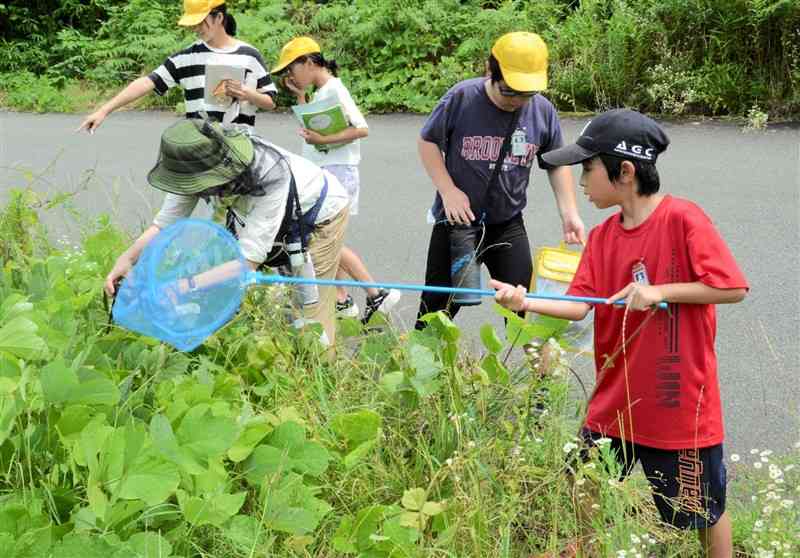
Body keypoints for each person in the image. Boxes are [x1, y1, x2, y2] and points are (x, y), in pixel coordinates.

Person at [492, 109, 748, 558]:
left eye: (587, 168)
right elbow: (578, 305)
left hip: (677, 404)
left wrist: (659, 291)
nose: (582, 181)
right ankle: (584, 548)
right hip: (615, 400)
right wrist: (524, 301)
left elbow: (731, 287)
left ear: (624, 171)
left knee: (700, 510)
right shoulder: (604, 235)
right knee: (582, 482)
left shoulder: (683, 219)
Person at [104, 119, 350, 347]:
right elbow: (163, 225)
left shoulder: (269, 176)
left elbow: (246, 264)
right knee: (227, 286)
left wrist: (184, 286)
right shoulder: (191, 164)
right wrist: (127, 259)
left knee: (309, 311)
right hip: (263, 217)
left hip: (319, 212)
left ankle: (321, 370)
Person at [414, 31, 585, 329]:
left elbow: (555, 164)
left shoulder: (542, 111)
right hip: (457, 221)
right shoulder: (462, 98)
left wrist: (569, 213)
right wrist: (448, 190)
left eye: (525, 94)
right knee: (436, 309)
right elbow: (428, 142)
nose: (517, 102)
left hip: (507, 222)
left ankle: (535, 373)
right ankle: (424, 368)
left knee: (523, 307)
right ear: (489, 70)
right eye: (509, 91)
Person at [271, 36, 401, 323]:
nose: (289, 76)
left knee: (324, 237)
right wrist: (300, 98)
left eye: (292, 69)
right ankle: (341, 299)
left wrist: (324, 138)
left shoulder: (335, 89)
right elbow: (313, 127)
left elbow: (361, 128)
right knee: (331, 236)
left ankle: (376, 293)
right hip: (325, 169)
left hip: (337, 171)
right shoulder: (320, 92)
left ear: (308, 62)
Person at [79, 0, 276, 134]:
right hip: (197, 146)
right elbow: (148, 82)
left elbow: (269, 101)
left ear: (219, 18)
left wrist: (246, 93)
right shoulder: (186, 57)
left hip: (239, 145)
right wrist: (104, 110)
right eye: (194, 23)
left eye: (201, 22)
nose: (196, 28)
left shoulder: (249, 55)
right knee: (176, 197)